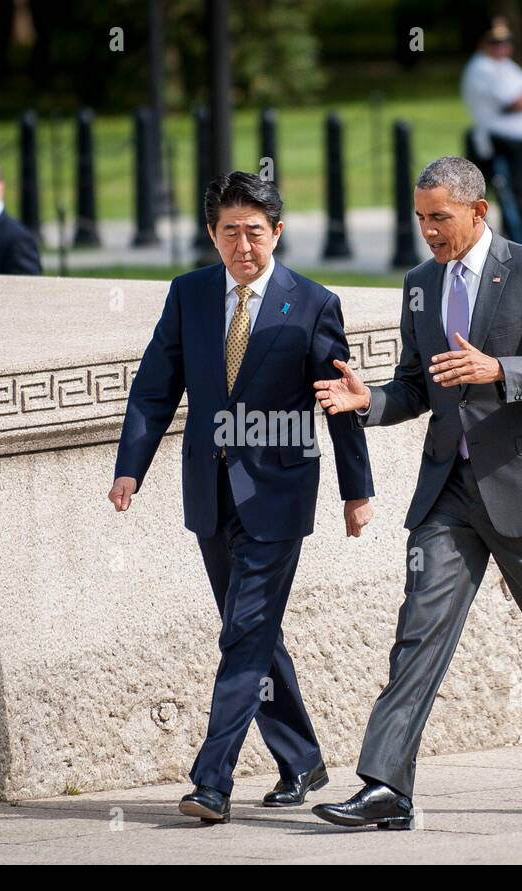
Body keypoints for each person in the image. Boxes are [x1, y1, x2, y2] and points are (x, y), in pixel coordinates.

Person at [311, 156, 522, 829]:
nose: (428, 231)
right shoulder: (419, 284)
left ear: (478, 211)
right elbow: (416, 387)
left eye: (440, 218)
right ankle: (386, 787)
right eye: (421, 217)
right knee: (417, 636)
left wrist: (500, 370)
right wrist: (368, 402)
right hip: (448, 493)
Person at [109, 171, 376, 824]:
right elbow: (154, 388)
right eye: (230, 232)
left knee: (244, 635)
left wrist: (355, 489)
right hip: (210, 490)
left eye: (255, 232)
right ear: (212, 235)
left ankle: (212, 781)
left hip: (280, 495)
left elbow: (337, 403)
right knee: (251, 634)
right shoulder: (189, 296)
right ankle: (303, 758)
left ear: (277, 233)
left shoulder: (312, 303)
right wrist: (130, 468)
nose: (243, 245)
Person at [461, 16, 522, 245]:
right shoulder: (481, 68)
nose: (502, 47)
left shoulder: (505, 66)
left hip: (513, 142)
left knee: (519, 197)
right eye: (495, 43)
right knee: (506, 199)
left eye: (505, 42)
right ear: (483, 44)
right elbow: (517, 101)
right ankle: (514, 243)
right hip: (495, 143)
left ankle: (519, 244)